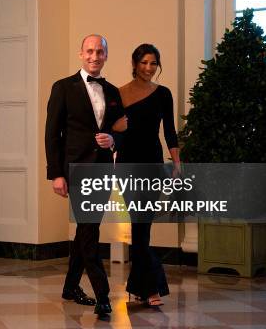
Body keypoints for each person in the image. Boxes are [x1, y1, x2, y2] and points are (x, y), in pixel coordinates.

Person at [45, 34, 126, 317]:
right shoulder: (63, 87)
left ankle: (69, 287)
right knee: (90, 231)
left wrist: (113, 139)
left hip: (102, 170)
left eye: (100, 52)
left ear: (106, 55)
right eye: (90, 51)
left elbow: (122, 130)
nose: (95, 56)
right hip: (76, 171)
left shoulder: (114, 91)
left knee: (85, 229)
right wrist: (56, 174)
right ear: (81, 54)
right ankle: (103, 295)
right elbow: (52, 135)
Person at [117, 43, 180, 307]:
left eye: (153, 63)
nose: (148, 68)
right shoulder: (118, 94)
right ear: (134, 63)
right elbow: (110, 132)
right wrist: (114, 127)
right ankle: (151, 288)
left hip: (153, 164)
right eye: (144, 62)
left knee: (143, 227)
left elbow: (170, 131)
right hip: (128, 165)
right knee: (138, 225)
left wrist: (177, 162)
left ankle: (138, 287)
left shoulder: (163, 94)